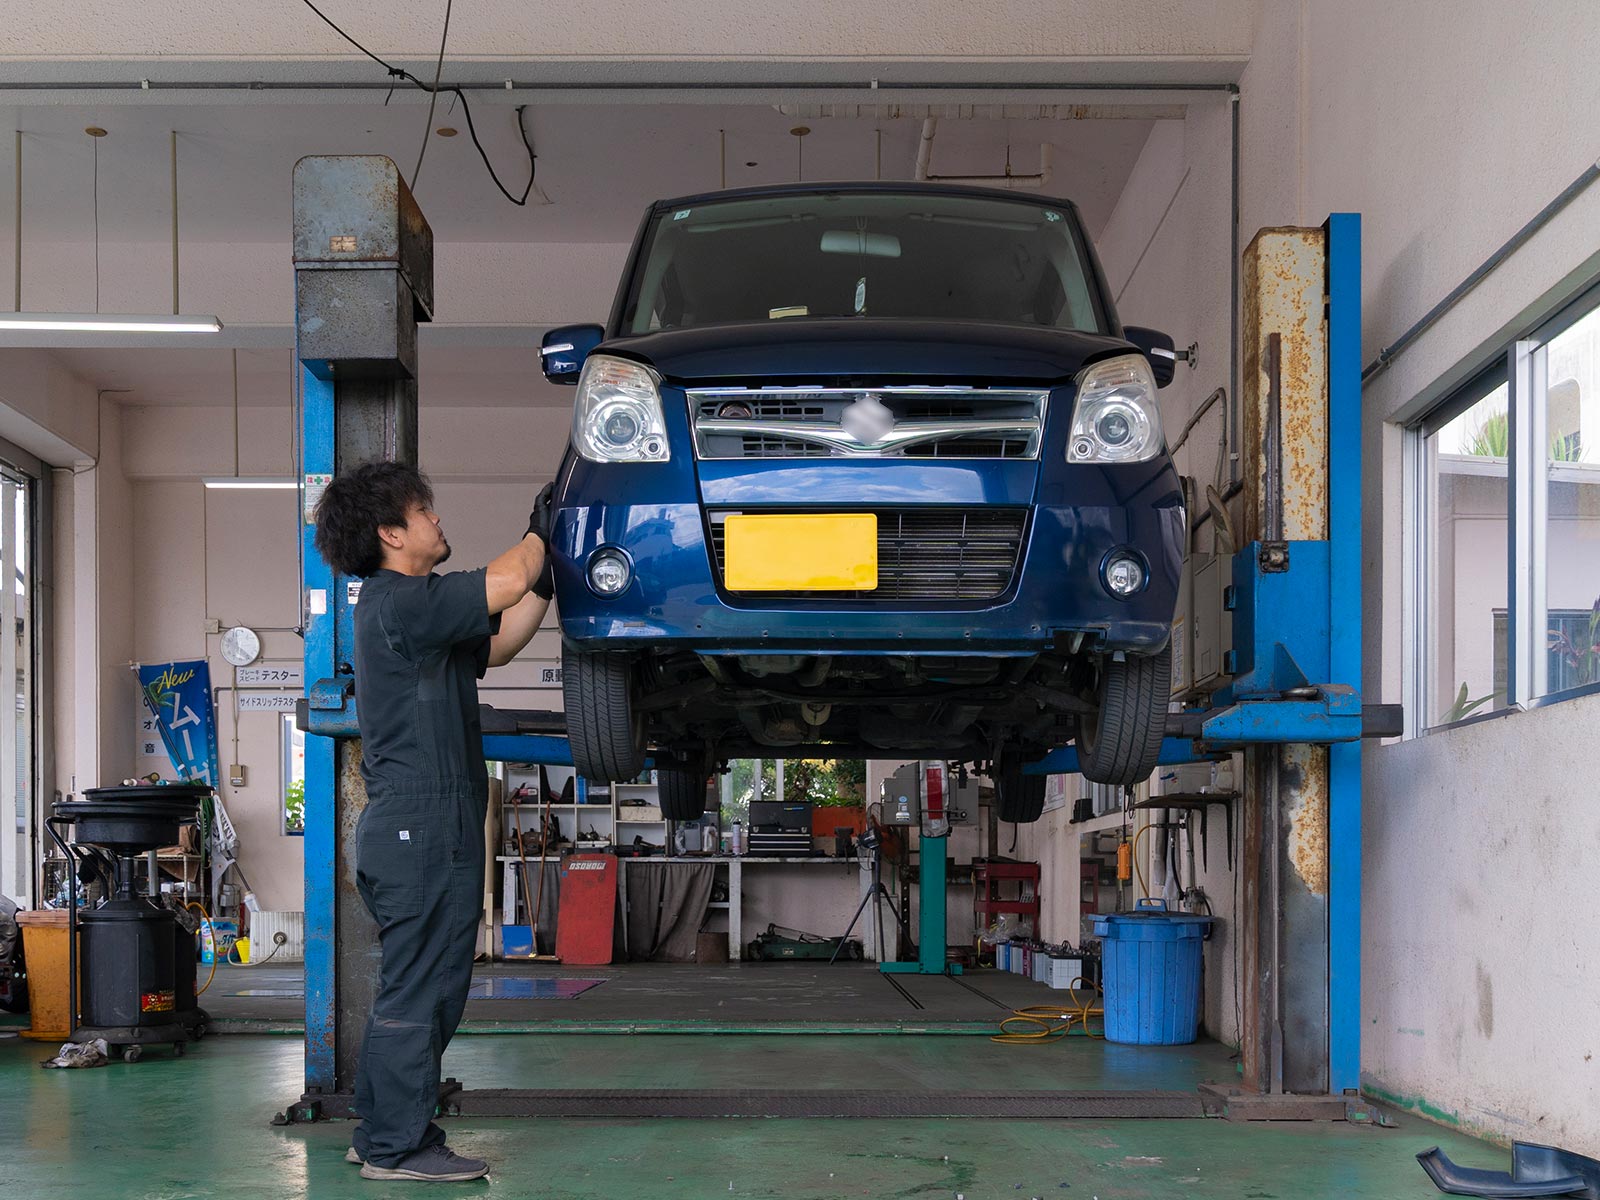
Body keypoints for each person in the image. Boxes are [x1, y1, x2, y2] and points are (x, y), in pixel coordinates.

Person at [313, 462, 554, 1183]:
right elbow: (506, 578)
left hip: (426, 821)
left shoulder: (417, 616)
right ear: (392, 533)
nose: (438, 522)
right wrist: (548, 524)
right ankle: (397, 1147)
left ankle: (382, 1130)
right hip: (421, 823)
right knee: (424, 990)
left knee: (416, 986)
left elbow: (502, 637)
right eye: (426, 512)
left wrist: (546, 575)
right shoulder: (400, 602)